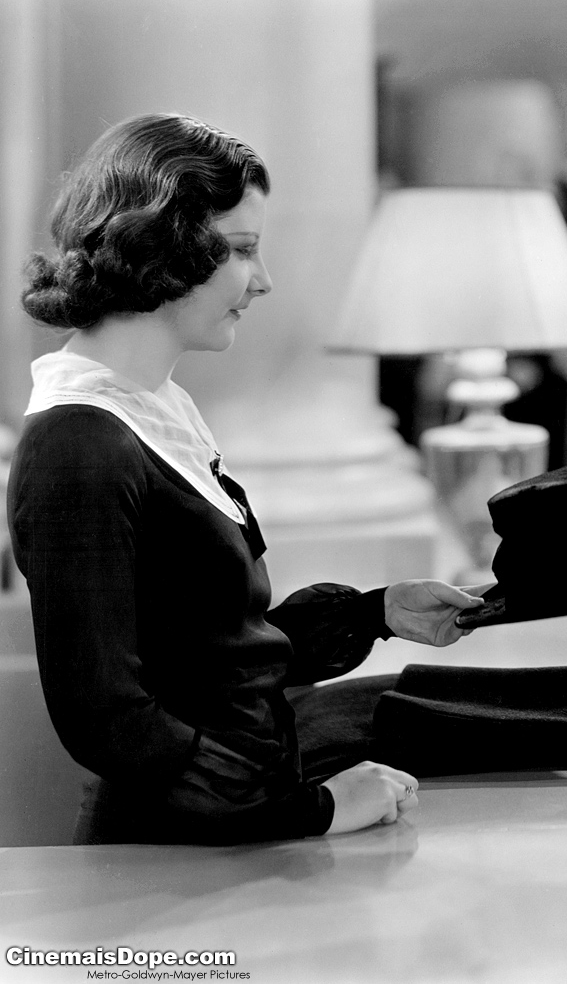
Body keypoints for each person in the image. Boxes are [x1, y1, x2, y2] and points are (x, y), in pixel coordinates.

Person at [7, 113, 485, 846]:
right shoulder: (78, 445)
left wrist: (377, 613)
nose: (262, 281)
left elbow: (215, 659)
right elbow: (107, 719)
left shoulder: (152, 410)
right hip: (167, 862)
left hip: (231, 833)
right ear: (161, 246)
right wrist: (316, 810)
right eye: (240, 249)